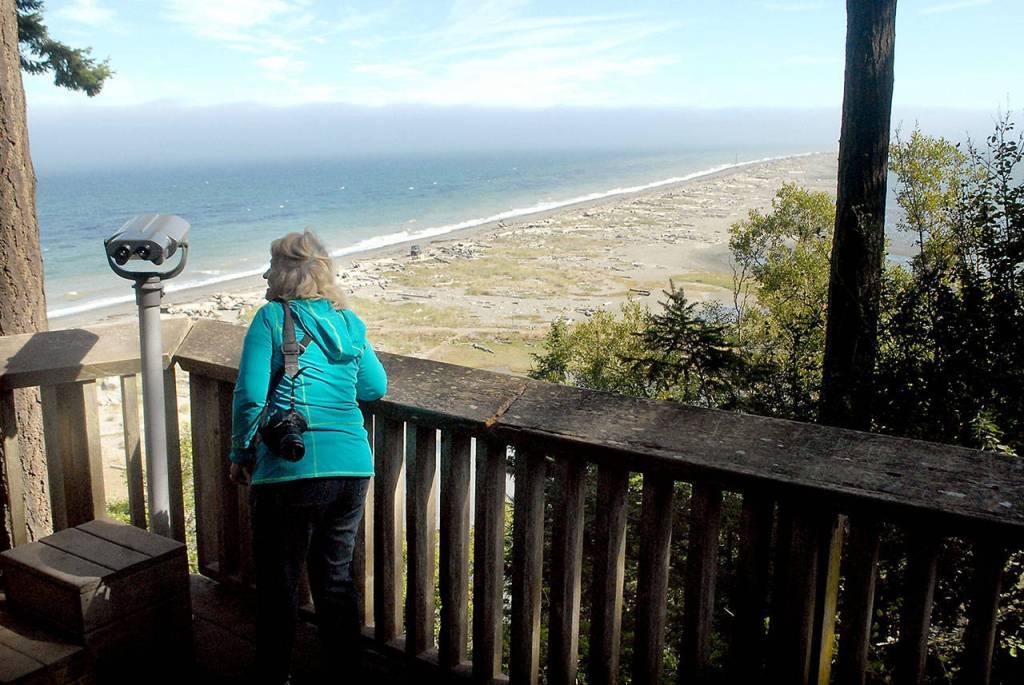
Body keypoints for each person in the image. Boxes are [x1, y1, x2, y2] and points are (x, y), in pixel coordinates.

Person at [229, 230, 387, 684]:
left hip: (290, 470)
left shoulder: (271, 319)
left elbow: (249, 397)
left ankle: (276, 674)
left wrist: (240, 452)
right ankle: (345, 671)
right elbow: (374, 388)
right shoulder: (349, 322)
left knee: (279, 584)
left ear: (281, 273)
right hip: (352, 468)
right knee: (335, 580)